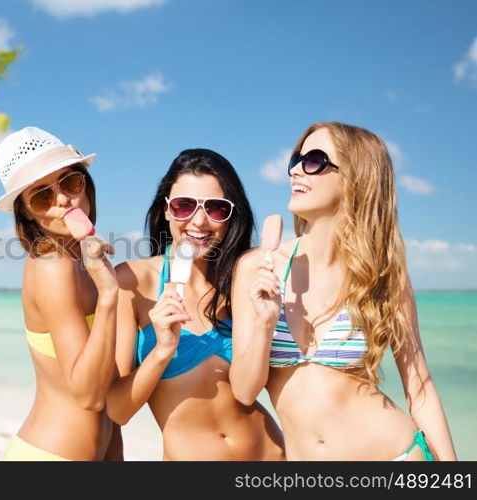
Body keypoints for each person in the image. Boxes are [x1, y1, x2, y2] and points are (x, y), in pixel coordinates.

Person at [230, 121, 457, 460]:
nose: (296, 171)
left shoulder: (382, 276)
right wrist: (264, 325)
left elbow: (420, 389)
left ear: (355, 177)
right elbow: (245, 391)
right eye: (296, 160)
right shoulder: (257, 267)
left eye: (315, 160)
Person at [107, 149, 284, 460]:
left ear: (231, 217)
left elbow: (249, 391)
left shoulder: (241, 280)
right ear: (165, 211)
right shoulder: (134, 281)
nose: (199, 221)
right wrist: (162, 350)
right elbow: (118, 410)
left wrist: (264, 323)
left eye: (216, 208)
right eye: (184, 205)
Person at [0, 126, 121, 460]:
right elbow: (89, 396)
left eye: (70, 182)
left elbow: (110, 399)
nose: (63, 199)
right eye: (42, 196)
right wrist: (109, 297)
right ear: (27, 212)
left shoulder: (84, 262)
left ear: (85, 183)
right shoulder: (53, 266)